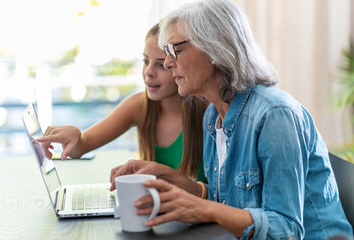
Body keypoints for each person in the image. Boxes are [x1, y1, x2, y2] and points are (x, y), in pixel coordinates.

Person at [109, 0, 353, 239]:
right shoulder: (213, 117)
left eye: (177, 50)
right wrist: (167, 176)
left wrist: (203, 209)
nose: (169, 62)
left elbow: (286, 231)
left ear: (215, 49)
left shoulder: (275, 115)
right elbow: (224, 203)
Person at [37, 23, 207, 182]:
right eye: (146, 61)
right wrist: (75, 138)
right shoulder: (139, 106)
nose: (148, 72)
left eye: (161, 65)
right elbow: (82, 145)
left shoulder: (206, 111)